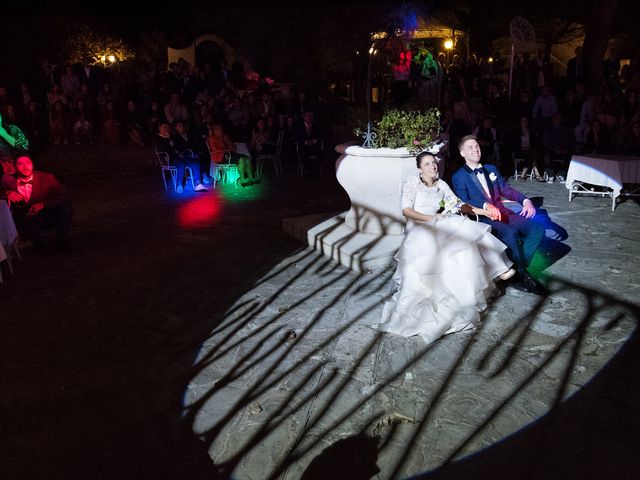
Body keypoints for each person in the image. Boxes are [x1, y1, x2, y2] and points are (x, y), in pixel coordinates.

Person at [377, 152, 515, 345]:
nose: (432, 167)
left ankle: (493, 272)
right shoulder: (412, 183)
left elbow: (459, 205)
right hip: (419, 227)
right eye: (427, 164)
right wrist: (431, 219)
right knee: (449, 233)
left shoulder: (442, 184)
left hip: (438, 223)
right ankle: (493, 270)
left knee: (463, 229)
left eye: (434, 163)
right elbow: (406, 211)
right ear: (420, 168)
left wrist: (485, 211)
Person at [452, 135, 546, 295]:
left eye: (477, 146)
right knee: (511, 233)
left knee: (537, 229)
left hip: (504, 213)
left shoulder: (491, 169)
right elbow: (464, 201)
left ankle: (516, 267)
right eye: (470, 147)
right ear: (462, 153)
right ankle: (521, 276)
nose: (475, 149)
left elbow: (506, 189)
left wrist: (525, 201)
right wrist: (484, 205)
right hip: (483, 217)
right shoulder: (458, 176)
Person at [1, 155, 72, 251]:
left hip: (46, 214)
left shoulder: (46, 178)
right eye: (20, 164)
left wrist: (43, 204)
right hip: (26, 218)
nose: (25, 166)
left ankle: (61, 241)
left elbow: (65, 194)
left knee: (65, 207)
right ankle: (37, 243)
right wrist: (6, 193)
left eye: (28, 163)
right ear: (15, 167)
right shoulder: (9, 180)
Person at [155, 122, 207, 194]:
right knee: (181, 163)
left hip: (179, 156)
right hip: (168, 159)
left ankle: (198, 183)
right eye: (164, 127)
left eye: (167, 127)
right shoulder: (158, 138)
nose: (166, 129)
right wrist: (167, 139)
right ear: (159, 128)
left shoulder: (171, 137)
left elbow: (176, 147)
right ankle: (179, 184)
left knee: (195, 162)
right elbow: (164, 149)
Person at [206, 123, 259, 187]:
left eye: (220, 129)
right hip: (220, 156)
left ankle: (251, 178)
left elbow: (231, 147)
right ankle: (243, 180)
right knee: (241, 159)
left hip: (228, 154)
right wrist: (226, 149)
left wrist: (228, 145)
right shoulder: (212, 138)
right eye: (217, 129)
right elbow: (217, 149)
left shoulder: (225, 136)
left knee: (247, 158)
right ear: (214, 131)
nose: (219, 130)